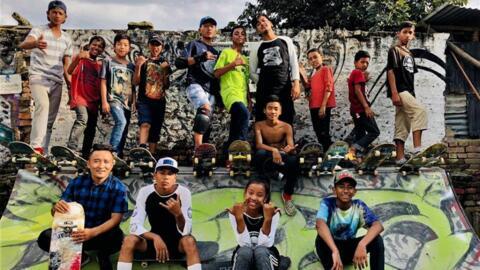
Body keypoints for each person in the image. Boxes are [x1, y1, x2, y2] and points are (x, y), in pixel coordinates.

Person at [37, 144, 128, 270]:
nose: (101, 166)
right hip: (77, 234)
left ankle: (103, 255)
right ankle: (83, 257)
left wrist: (92, 232)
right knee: (44, 237)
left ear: (112, 164)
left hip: (100, 234)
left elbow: (116, 219)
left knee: (117, 237)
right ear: (88, 164)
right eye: (96, 161)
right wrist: (56, 208)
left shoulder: (118, 188)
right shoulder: (77, 182)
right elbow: (59, 212)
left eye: (106, 162)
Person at [117, 157, 201, 270]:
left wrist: (178, 214)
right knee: (129, 240)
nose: (166, 177)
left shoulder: (183, 193)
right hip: (152, 243)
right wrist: (155, 237)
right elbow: (134, 226)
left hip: (177, 244)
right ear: (155, 175)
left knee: (189, 241)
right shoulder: (145, 192)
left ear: (175, 177)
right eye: (162, 173)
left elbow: (186, 231)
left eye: (170, 173)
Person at [19, 0, 73, 155]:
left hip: (56, 81)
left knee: (50, 120)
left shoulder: (67, 39)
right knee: (42, 106)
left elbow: (67, 65)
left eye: (60, 13)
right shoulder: (39, 30)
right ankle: (36, 146)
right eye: (54, 12)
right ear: (48, 14)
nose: (57, 15)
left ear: (65, 17)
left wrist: (70, 86)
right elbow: (24, 44)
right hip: (39, 77)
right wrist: (35, 43)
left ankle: (44, 152)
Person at [315, 170, 384, 270]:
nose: (346, 191)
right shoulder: (327, 203)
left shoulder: (358, 206)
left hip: (348, 247)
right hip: (329, 249)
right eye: (341, 186)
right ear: (334, 190)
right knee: (321, 238)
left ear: (355, 192)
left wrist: (362, 244)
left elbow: (378, 225)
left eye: (350, 187)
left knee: (377, 240)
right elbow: (319, 224)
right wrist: (335, 251)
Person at [175, 16, 220, 149]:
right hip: (195, 84)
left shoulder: (216, 52)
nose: (209, 29)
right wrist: (200, 57)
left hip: (210, 89)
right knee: (205, 108)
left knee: (207, 120)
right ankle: (198, 148)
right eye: (205, 26)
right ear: (200, 29)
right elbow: (179, 63)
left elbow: (216, 75)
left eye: (212, 26)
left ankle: (204, 154)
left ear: (215, 30)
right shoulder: (194, 44)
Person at [386, 21, 427, 164]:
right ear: (398, 33)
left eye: (410, 32)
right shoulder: (394, 50)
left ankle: (400, 157)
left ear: (413, 35)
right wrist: (394, 93)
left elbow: (410, 76)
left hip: (408, 92)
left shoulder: (409, 53)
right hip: (400, 90)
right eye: (405, 32)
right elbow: (390, 71)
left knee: (402, 123)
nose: (407, 35)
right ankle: (417, 149)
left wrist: (412, 95)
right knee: (420, 112)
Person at [250, 14, 300, 125]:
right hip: (264, 92)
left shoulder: (285, 40)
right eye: (258, 24)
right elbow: (252, 71)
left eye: (264, 20)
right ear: (257, 30)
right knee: (263, 121)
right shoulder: (256, 47)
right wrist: (263, 82)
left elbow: (293, 63)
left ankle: (288, 143)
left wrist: (296, 83)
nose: (262, 24)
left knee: (287, 119)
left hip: (284, 89)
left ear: (271, 23)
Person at [254, 95, 298, 216]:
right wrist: (274, 150)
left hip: (282, 158)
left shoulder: (286, 126)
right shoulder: (259, 125)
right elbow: (259, 145)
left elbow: (291, 146)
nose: (272, 111)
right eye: (269, 108)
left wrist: (290, 150)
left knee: (294, 159)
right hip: (267, 159)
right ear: (264, 110)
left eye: (275, 108)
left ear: (280, 111)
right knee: (259, 153)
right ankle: (264, 195)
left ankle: (287, 195)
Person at [227, 179, 282, 270]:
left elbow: (267, 244)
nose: (253, 198)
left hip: (266, 255)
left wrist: (268, 219)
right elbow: (243, 243)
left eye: (259, 195)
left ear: (265, 197)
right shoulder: (236, 211)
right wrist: (239, 218)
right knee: (245, 251)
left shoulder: (273, 212)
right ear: (245, 193)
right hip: (244, 255)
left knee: (260, 251)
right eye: (250, 193)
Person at [66, 36, 106, 159]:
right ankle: (71, 148)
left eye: (100, 46)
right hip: (80, 97)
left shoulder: (100, 65)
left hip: (93, 101)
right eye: (94, 44)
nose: (96, 48)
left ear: (102, 50)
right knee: (82, 119)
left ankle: (85, 154)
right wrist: (78, 58)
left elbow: (101, 85)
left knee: (91, 128)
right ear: (89, 45)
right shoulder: (81, 59)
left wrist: (102, 103)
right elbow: (70, 70)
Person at [133, 34, 172, 155]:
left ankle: (151, 156)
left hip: (159, 101)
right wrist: (138, 66)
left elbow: (166, 85)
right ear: (149, 45)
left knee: (155, 130)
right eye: (153, 44)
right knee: (145, 123)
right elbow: (135, 82)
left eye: (158, 45)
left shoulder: (164, 63)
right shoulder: (143, 60)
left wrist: (165, 71)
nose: (155, 47)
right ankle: (142, 149)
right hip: (144, 99)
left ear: (162, 47)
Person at [213, 25, 250, 151]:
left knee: (236, 123)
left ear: (245, 38)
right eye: (236, 33)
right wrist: (232, 64)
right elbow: (217, 73)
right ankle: (242, 148)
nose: (239, 35)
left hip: (242, 96)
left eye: (242, 33)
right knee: (243, 114)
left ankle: (228, 151)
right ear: (231, 37)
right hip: (230, 92)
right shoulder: (226, 53)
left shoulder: (245, 59)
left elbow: (246, 82)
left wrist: (249, 101)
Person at [100, 33, 135, 158]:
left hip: (127, 102)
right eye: (119, 44)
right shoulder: (108, 61)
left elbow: (133, 85)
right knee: (121, 122)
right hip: (113, 99)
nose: (122, 47)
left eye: (125, 45)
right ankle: (112, 151)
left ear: (129, 48)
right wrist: (104, 101)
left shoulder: (131, 65)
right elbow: (103, 82)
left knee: (124, 128)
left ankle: (118, 155)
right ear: (114, 47)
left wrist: (134, 102)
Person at [299, 48, 336, 151]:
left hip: (322, 106)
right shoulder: (314, 74)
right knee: (318, 132)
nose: (313, 60)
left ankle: (330, 155)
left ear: (322, 57)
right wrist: (301, 73)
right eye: (310, 59)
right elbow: (307, 86)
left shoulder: (325, 69)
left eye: (315, 57)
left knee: (324, 132)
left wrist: (323, 106)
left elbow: (329, 87)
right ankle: (326, 154)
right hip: (314, 106)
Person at [346, 50, 380, 161]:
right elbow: (357, 91)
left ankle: (357, 157)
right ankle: (354, 149)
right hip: (360, 109)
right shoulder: (357, 73)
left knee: (360, 134)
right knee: (374, 131)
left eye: (367, 63)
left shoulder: (355, 74)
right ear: (355, 63)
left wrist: (364, 80)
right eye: (362, 62)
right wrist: (366, 107)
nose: (365, 65)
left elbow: (356, 87)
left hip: (355, 109)